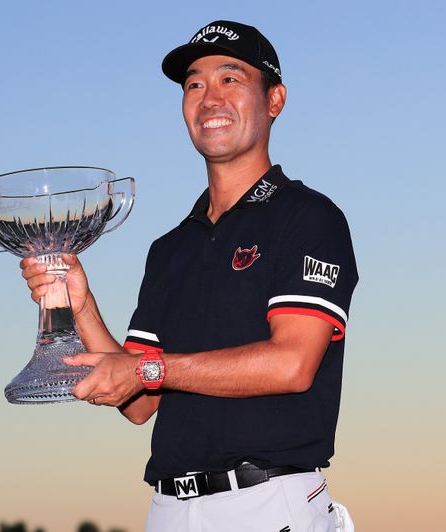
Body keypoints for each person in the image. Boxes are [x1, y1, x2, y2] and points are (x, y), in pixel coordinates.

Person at [20, 20, 357, 532]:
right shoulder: (171, 248)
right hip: (168, 510)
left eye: (231, 79)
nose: (209, 98)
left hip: (267, 503)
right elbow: (139, 402)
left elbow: (292, 364)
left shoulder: (309, 216)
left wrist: (148, 371)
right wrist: (79, 304)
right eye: (194, 84)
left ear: (275, 100)